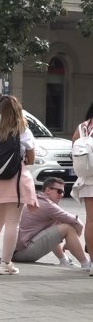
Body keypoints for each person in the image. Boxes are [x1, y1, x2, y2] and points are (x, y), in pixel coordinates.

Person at [0, 95, 39, 275]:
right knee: (13, 222)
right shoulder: (23, 129)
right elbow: (31, 158)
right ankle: (5, 264)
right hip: (15, 179)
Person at [12, 177, 89, 268]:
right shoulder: (47, 205)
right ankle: (86, 264)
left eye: (63, 192)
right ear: (48, 190)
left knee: (54, 227)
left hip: (16, 253)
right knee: (67, 228)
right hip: (22, 253)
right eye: (59, 191)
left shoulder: (38, 199)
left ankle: (65, 260)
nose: (62, 195)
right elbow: (76, 222)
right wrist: (73, 239)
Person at [72, 102, 93, 274]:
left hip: (87, 178)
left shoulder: (82, 127)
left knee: (91, 221)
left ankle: (92, 262)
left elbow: (73, 146)